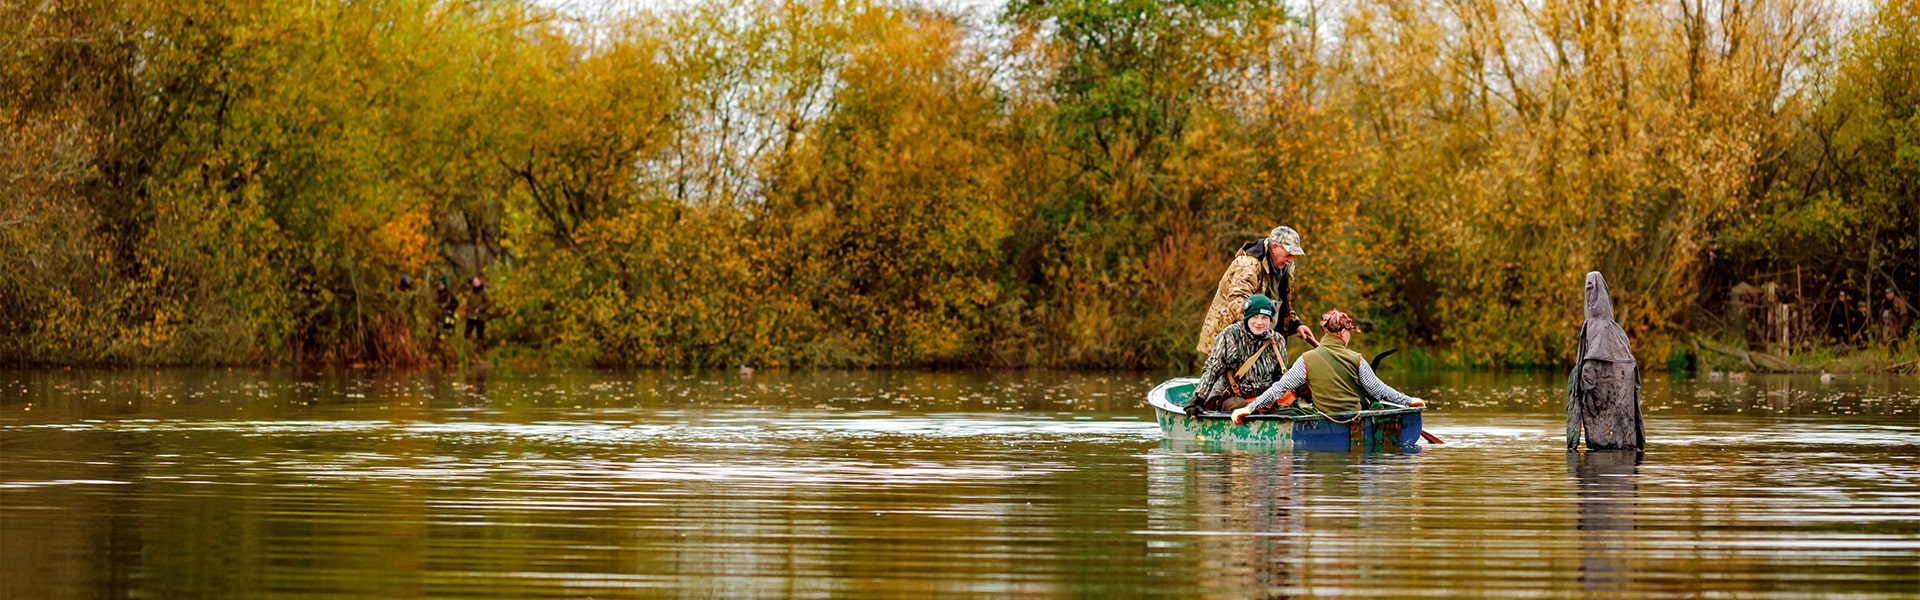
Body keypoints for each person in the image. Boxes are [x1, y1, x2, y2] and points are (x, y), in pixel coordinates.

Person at [1231, 309, 1423, 423]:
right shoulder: (1357, 359)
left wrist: (1249, 409)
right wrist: (1409, 401)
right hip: (1355, 419)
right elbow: (1377, 389)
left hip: (1326, 421)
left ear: (1324, 332)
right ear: (1344, 333)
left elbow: (1279, 389)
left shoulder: (1306, 360)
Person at [1195, 226, 1316, 366]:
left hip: (1261, 342)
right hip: (1231, 342)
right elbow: (1237, 302)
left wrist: (1296, 324)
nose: (1291, 260)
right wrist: (1261, 327)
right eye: (1289, 254)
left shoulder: (1283, 268)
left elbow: (1277, 303)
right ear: (1275, 247)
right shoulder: (1249, 265)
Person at [1565, 272, 1644, 451]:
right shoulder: (1588, 326)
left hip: (1610, 385)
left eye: (1593, 289)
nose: (1590, 295)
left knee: (1615, 431)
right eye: (1587, 290)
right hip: (1593, 386)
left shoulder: (1612, 329)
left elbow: (1628, 362)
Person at [1186, 294, 1287, 415]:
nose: (1259, 322)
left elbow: (1281, 377)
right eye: (1255, 316)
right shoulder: (1230, 335)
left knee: (1302, 390)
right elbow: (1213, 368)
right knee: (1243, 408)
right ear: (1247, 317)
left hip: (1264, 398)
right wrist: (1198, 398)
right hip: (1234, 397)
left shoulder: (1277, 340)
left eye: (1264, 317)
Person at [466, 276, 492, 351]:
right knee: (467, 333)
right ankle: (469, 348)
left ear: (480, 282)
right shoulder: (472, 293)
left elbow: (488, 303)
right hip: (471, 317)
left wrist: (479, 308)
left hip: (480, 317)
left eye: (477, 281)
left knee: (480, 334)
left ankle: (481, 349)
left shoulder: (484, 292)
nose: (475, 283)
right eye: (474, 282)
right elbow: (469, 304)